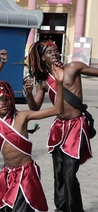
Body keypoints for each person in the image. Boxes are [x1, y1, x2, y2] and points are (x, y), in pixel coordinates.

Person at [0, 61, 64, 211]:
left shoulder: (22, 116)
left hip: (26, 174)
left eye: (7, 98)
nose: (4, 103)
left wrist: (59, 83)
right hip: (7, 175)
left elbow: (58, 109)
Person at [24, 40, 95, 212]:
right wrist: (29, 95)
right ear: (42, 58)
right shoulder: (43, 82)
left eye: (56, 50)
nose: (54, 53)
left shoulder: (74, 67)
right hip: (58, 128)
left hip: (77, 127)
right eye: (49, 52)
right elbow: (35, 108)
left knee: (69, 174)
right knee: (58, 172)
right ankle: (61, 207)